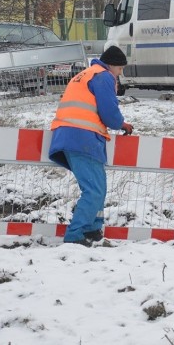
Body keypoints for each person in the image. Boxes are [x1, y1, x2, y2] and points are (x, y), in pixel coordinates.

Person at [48, 45, 133, 246]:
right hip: (82, 138)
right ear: (112, 65)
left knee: (99, 188)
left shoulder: (86, 74)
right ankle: (75, 234)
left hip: (69, 136)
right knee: (94, 190)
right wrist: (121, 124)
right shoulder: (104, 76)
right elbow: (109, 113)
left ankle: (93, 227)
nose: (120, 73)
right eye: (120, 69)